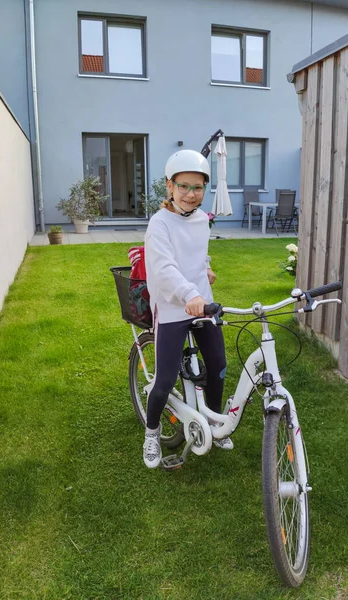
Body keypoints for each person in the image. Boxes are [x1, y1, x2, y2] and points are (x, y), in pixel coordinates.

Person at [143, 149, 231, 468]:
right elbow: (165, 269)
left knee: (218, 367)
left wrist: (204, 268)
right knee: (164, 380)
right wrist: (190, 294)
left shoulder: (200, 221)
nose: (192, 194)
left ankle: (215, 423)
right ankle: (152, 433)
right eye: (184, 186)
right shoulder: (159, 224)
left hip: (200, 303)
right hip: (172, 306)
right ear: (170, 185)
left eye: (198, 187)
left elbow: (196, 254)